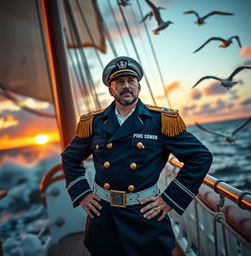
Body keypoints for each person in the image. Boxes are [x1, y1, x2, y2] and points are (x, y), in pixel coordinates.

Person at [61, 56, 213, 256]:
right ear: (111, 89)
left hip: (144, 214)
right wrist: (82, 194)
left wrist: (169, 199)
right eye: (119, 82)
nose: (126, 86)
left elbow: (200, 157)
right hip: (103, 214)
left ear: (138, 87)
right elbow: (70, 157)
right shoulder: (95, 122)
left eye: (131, 81)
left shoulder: (160, 120)